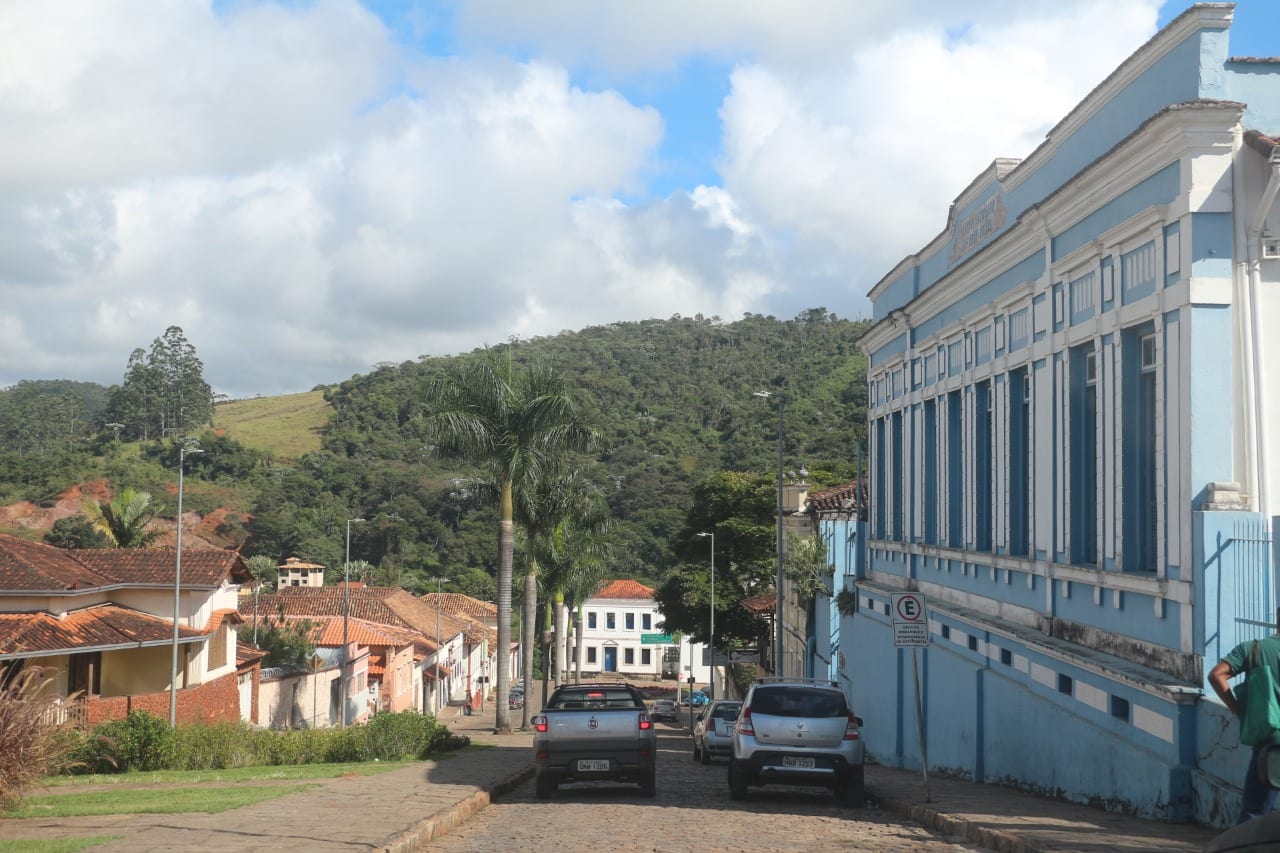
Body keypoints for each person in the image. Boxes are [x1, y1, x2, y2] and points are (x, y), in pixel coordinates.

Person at [1209, 634, 1280, 824]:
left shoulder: (1254, 648)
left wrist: (1239, 710)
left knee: (1254, 815)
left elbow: (1216, 675)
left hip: (1271, 744)